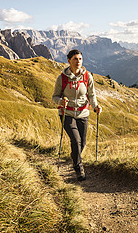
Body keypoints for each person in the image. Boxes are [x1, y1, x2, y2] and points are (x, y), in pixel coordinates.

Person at [52, 49, 102, 181]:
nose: (78, 61)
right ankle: (79, 168)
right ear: (69, 61)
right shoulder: (62, 78)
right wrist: (60, 101)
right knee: (76, 140)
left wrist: (95, 106)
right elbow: (55, 96)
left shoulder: (87, 77)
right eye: (75, 59)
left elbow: (91, 94)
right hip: (66, 113)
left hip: (83, 112)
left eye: (80, 59)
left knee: (82, 143)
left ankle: (75, 156)